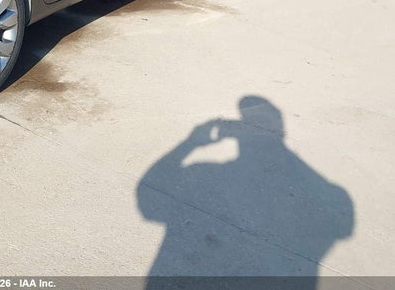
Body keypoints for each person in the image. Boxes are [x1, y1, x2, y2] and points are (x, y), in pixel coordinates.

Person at [137, 96, 353, 287]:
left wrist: (190, 143)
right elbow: (342, 227)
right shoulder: (334, 195)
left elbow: (147, 197)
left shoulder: (206, 174)